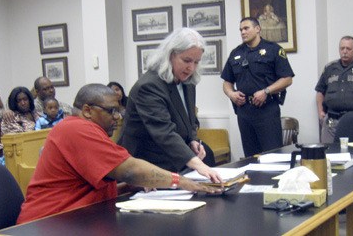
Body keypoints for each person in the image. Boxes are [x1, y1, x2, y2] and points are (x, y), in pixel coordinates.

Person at [16, 83, 221, 224]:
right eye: (111, 111)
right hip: (47, 223)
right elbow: (129, 169)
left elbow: (93, 184)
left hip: (77, 218)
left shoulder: (88, 129)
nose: (116, 117)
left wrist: (130, 186)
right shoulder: (76, 129)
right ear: (87, 110)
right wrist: (182, 181)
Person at [118, 28, 219, 179]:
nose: (191, 68)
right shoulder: (149, 86)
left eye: (196, 62)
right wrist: (198, 165)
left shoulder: (187, 82)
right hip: (149, 160)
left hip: (172, 156)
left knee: (208, 154)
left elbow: (189, 120)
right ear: (170, 55)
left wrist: (192, 140)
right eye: (186, 60)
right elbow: (164, 133)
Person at [221, 17, 294, 157]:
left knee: (272, 155)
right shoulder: (236, 53)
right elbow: (226, 82)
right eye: (241, 29)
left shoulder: (273, 50)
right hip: (244, 111)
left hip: (266, 109)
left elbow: (287, 79)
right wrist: (231, 94)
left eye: (246, 28)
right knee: (250, 156)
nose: (243, 32)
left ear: (258, 29)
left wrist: (266, 91)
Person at [0, 87, 38, 158]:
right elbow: (17, 139)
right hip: (12, 153)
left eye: (25, 99)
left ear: (30, 100)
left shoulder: (34, 114)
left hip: (33, 149)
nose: (23, 103)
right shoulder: (11, 116)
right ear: (14, 103)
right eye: (19, 101)